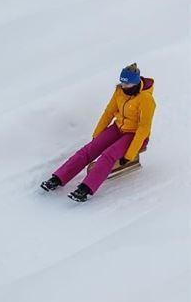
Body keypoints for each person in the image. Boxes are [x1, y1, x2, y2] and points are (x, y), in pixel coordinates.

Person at [41, 63, 156, 201]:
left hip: (135, 135)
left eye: (127, 84)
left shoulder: (146, 100)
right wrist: (97, 135)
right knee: (90, 149)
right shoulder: (119, 91)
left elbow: (144, 128)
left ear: (135, 82)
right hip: (118, 128)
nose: (123, 87)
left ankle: (86, 188)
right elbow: (109, 112)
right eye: (122, 83)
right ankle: (58, 177)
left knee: (109, 155)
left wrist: (130, 154)